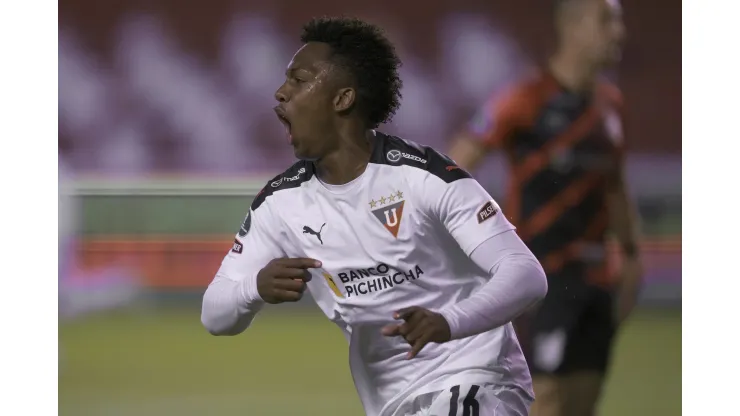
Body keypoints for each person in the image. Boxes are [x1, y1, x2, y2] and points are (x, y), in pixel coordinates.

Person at [201, 16, 548, 416]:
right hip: (393, 402)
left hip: (480, 380)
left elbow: (525, 273)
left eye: (299, 80)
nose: (281, 93)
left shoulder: (423, 177)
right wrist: (254, 288)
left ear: (342, 99)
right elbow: (215, 313)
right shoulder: (280, 204)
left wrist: (448, 321)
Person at [446, 1, 641, 415]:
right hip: (542, 280)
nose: (619, 32)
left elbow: (615, 186)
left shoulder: (610, 106)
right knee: (543, 400)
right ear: (572, 26)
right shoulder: (524, 100)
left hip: (595, 284)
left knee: (581, 403)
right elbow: (455, 166)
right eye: (607, 20)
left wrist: (632, 254)